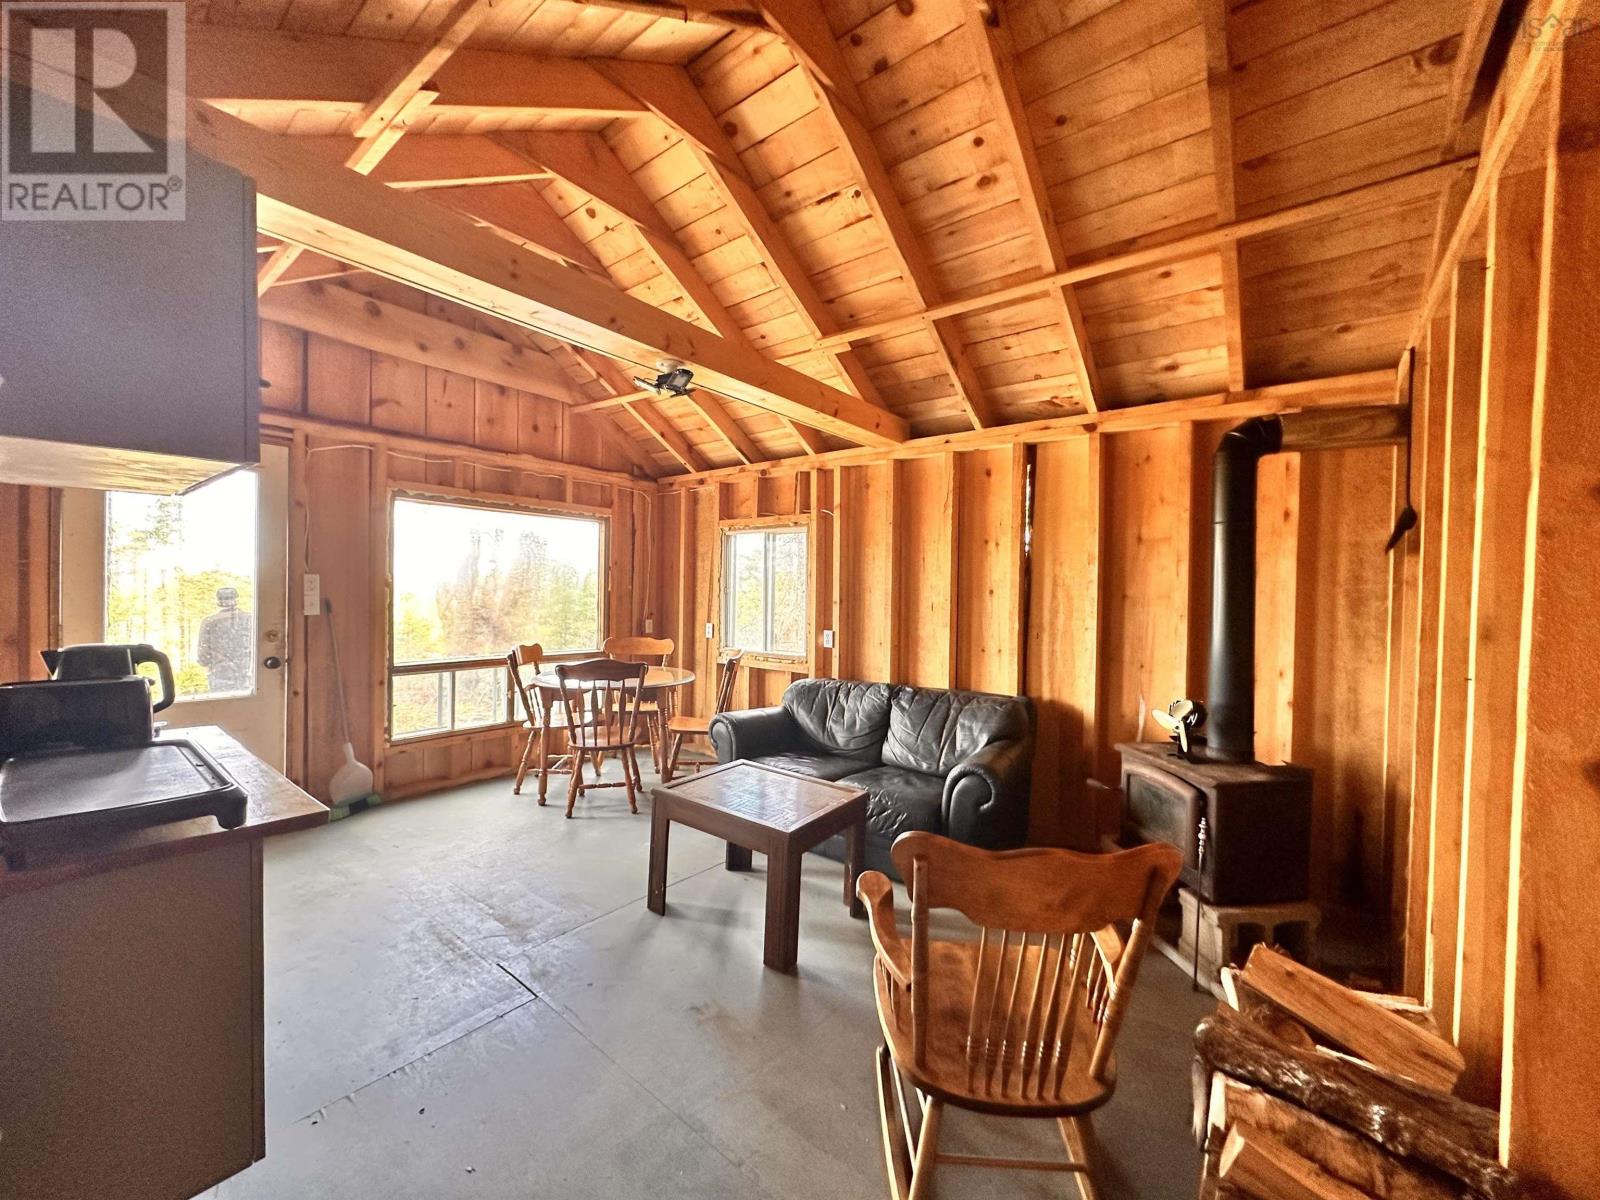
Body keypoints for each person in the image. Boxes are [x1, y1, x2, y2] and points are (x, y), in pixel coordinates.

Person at [196, 586, 253, 693]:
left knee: (220, 707)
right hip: (247, 674)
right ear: (236, 599)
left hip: (219, 675)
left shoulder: (209, 622)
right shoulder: (250, 619)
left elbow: (203, 656)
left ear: (218, 601)